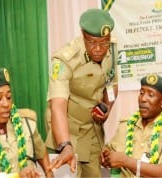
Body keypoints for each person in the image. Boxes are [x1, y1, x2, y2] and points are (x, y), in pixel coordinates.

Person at [45, 8, 118, 177]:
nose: (99, 49)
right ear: (82, 34)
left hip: (93, 130)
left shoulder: (112, 49)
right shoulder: (64, 59)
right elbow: (58, 106)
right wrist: (65, 145)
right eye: (92, 42)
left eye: (104, 42)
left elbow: (112, 85)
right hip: (68, 131)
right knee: (70, 174)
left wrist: (106, 108)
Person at [0, 68, 53, 177]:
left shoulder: (26, 123)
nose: (6, 104)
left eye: (9, 97)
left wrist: (49, 173)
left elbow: (41, 151)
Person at [100, 74, 162, 177]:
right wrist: (104, 157)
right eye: (141, 93)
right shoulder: (126, 125)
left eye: (150, 95)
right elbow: (107, 152)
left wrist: (126, 161)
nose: (143, 99)